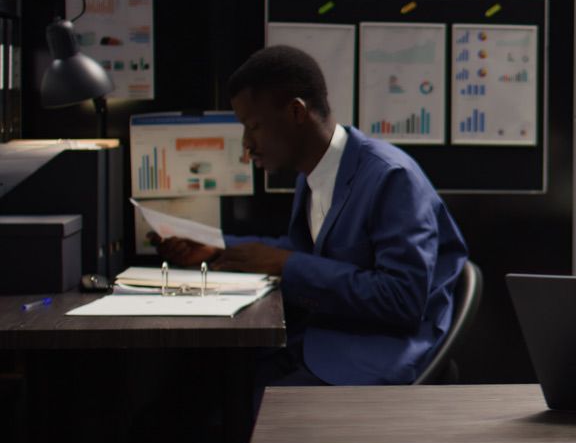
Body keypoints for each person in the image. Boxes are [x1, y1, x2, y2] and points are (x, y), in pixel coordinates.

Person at [157, 44, 468, 397]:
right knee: (200, 385)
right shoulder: (314, 174)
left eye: (253, 127)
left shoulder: (390, 177)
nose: (247, 145)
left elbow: (402, 299)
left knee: (239, 395)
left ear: (295, 112)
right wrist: (219, 249)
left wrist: (287, 265)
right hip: (327, 336)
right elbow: (314, 250)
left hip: (375, 353)